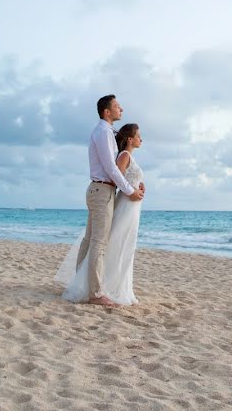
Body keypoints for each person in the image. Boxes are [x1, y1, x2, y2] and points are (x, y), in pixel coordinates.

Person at [57, 95, 144, 307]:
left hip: (99, 190)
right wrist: (130, 190)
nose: (121, 109)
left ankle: (81, 284)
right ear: (107, 111)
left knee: (89, 240)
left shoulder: (106, 132)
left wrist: (135, 182)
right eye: (116, 106)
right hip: (102, 190)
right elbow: (111, 168)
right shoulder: (103, 132)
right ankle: (95, 293)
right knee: (98, 242)